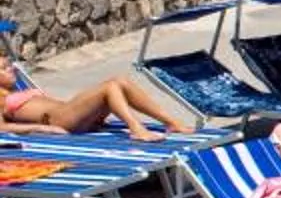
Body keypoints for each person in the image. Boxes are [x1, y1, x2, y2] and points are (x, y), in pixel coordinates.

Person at [1, 60, 188, 140]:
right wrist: (41, 128)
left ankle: (171, 122)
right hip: (64, 120)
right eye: (4, 68)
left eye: (9, 65)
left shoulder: (16, 90)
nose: (12, 69)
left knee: (120, 80)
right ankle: (136, 128)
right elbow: (2, 128)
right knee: (109, 87)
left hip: (73, 115)